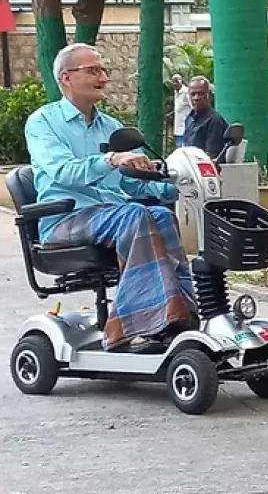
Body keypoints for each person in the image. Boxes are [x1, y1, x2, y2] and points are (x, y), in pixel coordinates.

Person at [25, 43, 199, 352]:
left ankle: (182, 315)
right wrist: (110, 160)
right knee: (135, 216)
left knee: (160, 215)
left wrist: (177, 181)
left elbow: (132, 187)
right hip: (64, 218)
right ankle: (133, 325)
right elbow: (63, 172)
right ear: (66, 77)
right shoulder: (43, 123)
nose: (103, 78)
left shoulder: (112, 127)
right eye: (93, 70)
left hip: (111, 216)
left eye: (104, 70)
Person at [181, 76, 228, 158]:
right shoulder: (189, 118)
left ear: (208, 95)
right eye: (193, 94)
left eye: (200, 94)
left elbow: (211, 156)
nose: (196, 98)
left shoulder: (214, 121)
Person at [171, 74, 192, 148]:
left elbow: (192, 107)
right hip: (178, 125)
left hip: (185, 125)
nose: (175, 83)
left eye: (177, 81)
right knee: (179, 146)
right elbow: (179, 108)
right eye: (174, 82)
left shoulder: (186, 92)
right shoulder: (176, 92)